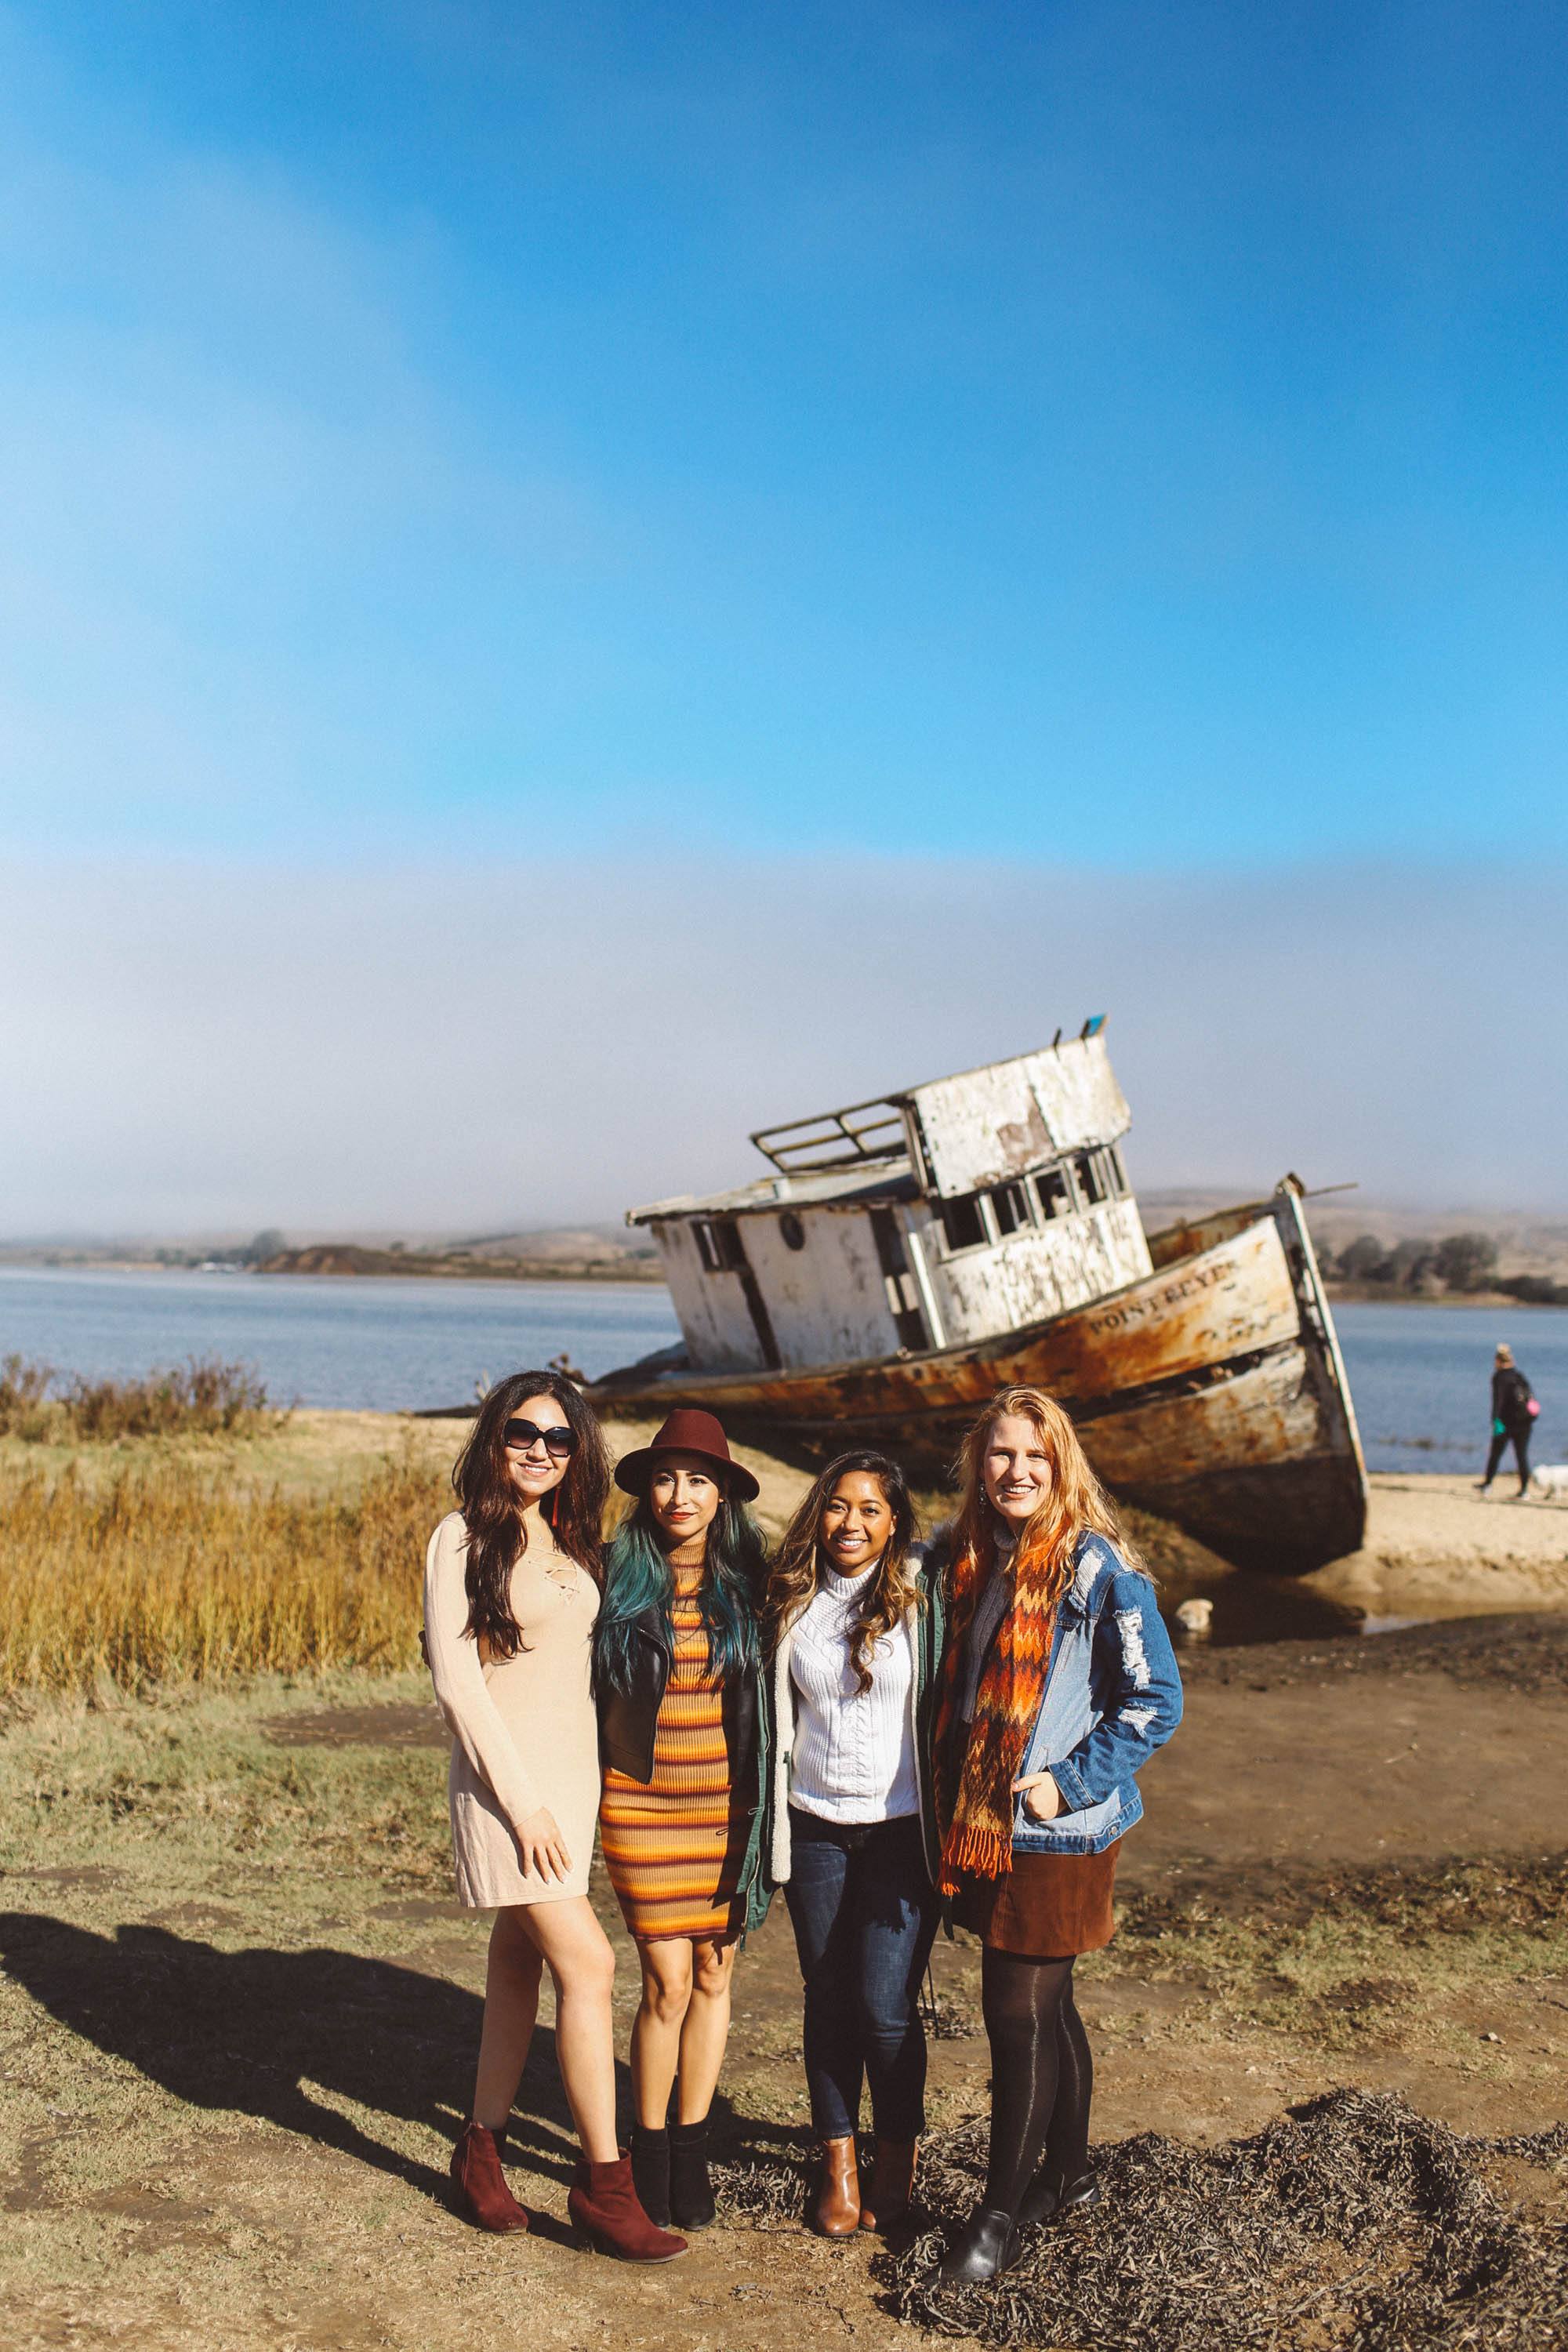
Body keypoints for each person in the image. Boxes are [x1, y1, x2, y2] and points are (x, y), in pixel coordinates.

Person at [423, 1370, 687, 2262]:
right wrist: (522, 1803)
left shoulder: (572, 1541)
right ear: (495, 1440)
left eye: (559, 1438)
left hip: (572, 1789)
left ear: (578, 1451)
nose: (540, 1450)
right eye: (522, 1434)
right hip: (510, 1795)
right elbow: (459, 1685)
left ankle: (480, 2152)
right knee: (590, 1965)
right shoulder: (461, 1537)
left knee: (515, 1969)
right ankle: (603, 2186)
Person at [931, 1385, 1182, 2285]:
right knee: (1049, 2004)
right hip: (986, 1824)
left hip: (1056, 1830)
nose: (1016, 1471)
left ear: (1060, 1464)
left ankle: (998, 2212)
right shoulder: (969, 1554)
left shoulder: (1098, 1569)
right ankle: (1067, 2174)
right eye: (1000, 1454)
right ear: (977, 1463)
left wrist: (1068, 1783)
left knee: (1013, 2013)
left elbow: (1155, 1702)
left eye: (1034, 1456)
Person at [594, 1409, 771, 2234]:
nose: (680, 1494)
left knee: (712, 1974)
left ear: (723, 1495)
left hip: (724, 1809)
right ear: (647, 1487)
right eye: (666, 1477)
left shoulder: (753, 1585)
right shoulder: (611, 1574)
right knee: (664, 1982)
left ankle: (691, 2148)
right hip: (638, 1802)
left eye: (698, 1479)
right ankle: (650, 2147)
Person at [764, 1450, 946, 2239]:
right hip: (813, 1830)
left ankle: (895, 2165)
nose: (850, 1523)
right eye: (838, 1505)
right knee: (827, 2000)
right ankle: (837, 2163)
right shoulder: (789, 1598)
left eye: (870, 1509)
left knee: (882, 2007)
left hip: (902, 1831)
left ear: (894, 1521)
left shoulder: (926, 1598)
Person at [1477, 1343, 1537, 1498]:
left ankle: (1487, 1484)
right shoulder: (1519, 1376)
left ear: (1497, 1361)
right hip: (1525, 1423)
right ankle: (1524, 1490)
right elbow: (1531, 1398)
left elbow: (1498, 1400)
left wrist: (1495, 1421)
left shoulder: (1499, 1377)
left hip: (1505, 1423)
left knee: (1496, 1454)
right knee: (1522, 1456)